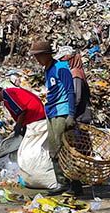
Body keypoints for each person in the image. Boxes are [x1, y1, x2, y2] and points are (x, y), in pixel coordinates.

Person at [30, 39, 76, 196]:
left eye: (39, 56)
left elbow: (70, 91)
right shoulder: (47, 70)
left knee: (60, 149)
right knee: (55, 148)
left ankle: (66, 183)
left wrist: (71, 114)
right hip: (52, 111)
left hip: (61, 112)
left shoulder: (61, 68)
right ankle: (69, 183)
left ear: (47, 55)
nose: (37, 60)